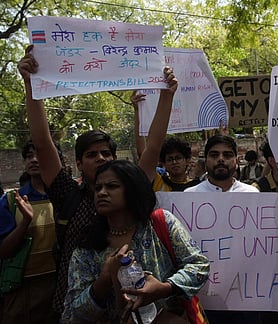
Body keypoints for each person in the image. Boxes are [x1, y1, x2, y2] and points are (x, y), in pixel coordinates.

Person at [17, 44, 177, 317]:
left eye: (106, 153)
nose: (101, 158)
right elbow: (43, 144)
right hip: (79, 309)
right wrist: (32, 85)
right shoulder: (67, 192)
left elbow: (153, 147)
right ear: (78, 163)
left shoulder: (133, 188)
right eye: (92, 155)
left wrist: (166, 95)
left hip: (139, 309)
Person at [62, 160, 210, 322]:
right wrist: (105, 279)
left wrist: (165, 288)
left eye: (112, 186)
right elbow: (72, 315)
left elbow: (199, 265)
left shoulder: (160, 223)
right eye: (98, 188)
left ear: (133, 190)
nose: (102, 193)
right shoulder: (87, 246)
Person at [184, 134, 260, 324]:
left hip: (246, 295)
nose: (220, 159)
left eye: (227, 155)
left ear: (236, 160)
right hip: (204, 296)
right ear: (206, 159)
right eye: (214, 155)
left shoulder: (253, 195)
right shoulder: (189, 197)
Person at [0, 141, 60, 323]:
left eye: (39, 154)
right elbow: (4, 251)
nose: (34, 160)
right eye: (28, 156)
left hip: (59, 285)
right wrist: (25, 221)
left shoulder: (66, 198)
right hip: (24, 292)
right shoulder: (11, 201)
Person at [131, 93, 200, 192]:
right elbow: (144, 155)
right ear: (163, 163)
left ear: (188, 160)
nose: (174, 162)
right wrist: (138, 111)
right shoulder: (158, 182)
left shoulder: (199, 187)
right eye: (170, 159)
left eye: (178, 158)